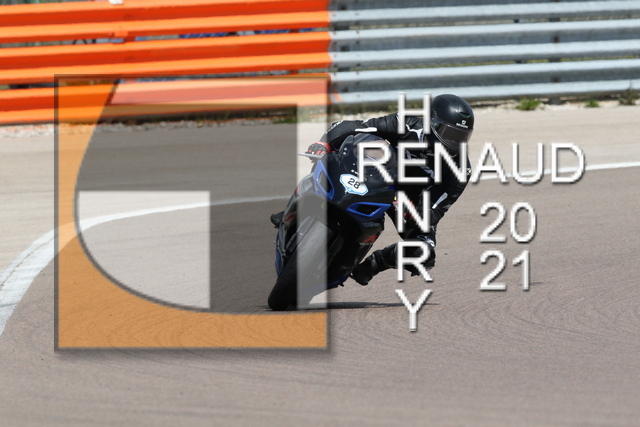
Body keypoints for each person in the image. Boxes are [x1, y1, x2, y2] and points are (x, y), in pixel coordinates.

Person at [305, 94, 474, 285]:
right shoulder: (406, 124)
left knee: (424, 255)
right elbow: (354, 126)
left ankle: (374, 264)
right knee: (332, 155)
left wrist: (413, 212)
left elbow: (435, 210)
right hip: (377, 176)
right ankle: (306, 203)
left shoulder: (460, 170)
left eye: (461, 137)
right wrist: (324, 143)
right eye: (449, 134)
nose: (454, 142)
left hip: (410, 201)